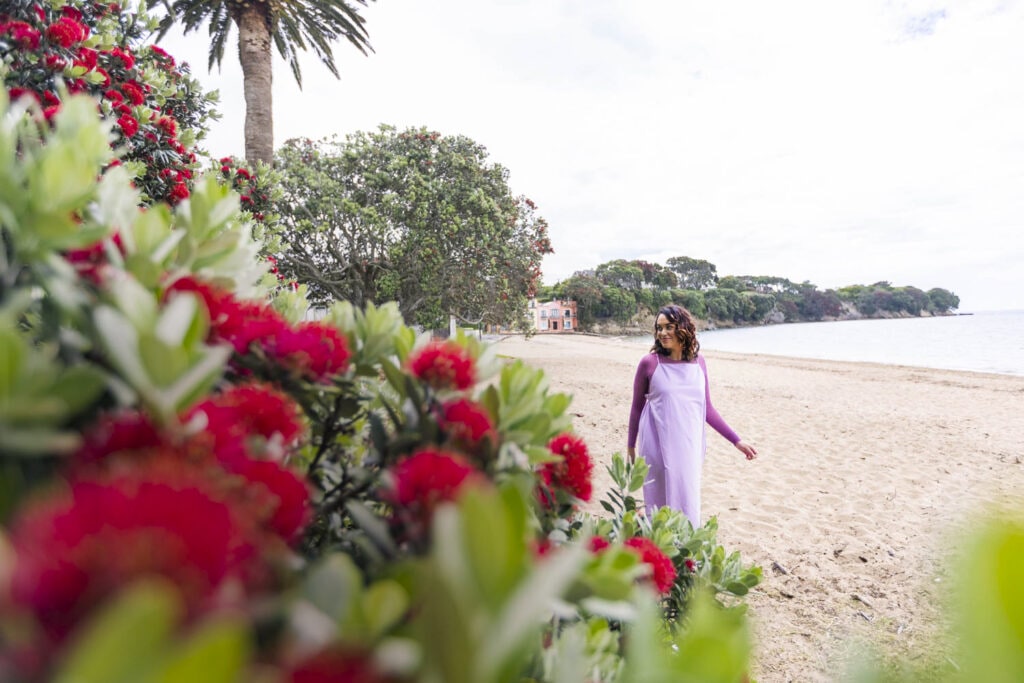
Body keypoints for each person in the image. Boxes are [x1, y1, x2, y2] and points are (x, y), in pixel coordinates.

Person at [627, 304, 757, 525]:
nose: (663, 333)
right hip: (656, 445)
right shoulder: (649, 363)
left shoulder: (699, 362)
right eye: (659, 328)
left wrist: (737, 441)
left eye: (669, 327)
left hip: (689, 446)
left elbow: (707, 409)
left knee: (687, 501)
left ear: (683, 328)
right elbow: (636, 408)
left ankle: (686, 546)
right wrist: (630, 447)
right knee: (658, 504)